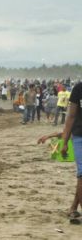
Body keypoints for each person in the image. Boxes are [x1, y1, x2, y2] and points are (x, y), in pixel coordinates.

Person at [38, 79, 82, 224]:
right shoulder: (78, 89)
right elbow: (71, 117)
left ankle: (73, 208)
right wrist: (63, 142)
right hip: (80, 135)